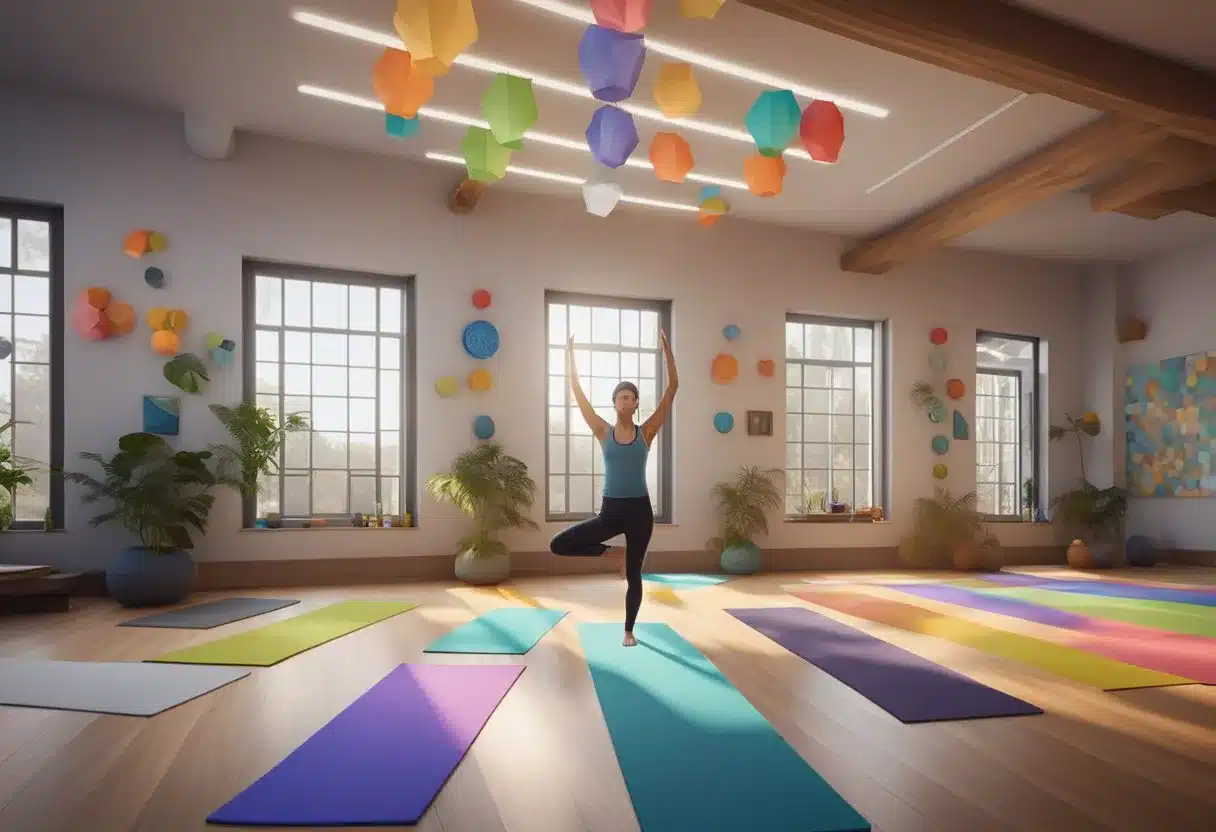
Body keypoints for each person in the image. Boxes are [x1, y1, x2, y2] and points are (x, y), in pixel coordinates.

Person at [550, 329, 678, 646]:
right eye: (621, 395)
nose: (626, 399)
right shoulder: (602, 430)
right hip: (611, 511)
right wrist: (570, 355)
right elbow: (576, 389)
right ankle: (614, 553)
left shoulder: (646, 432)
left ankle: (628, 631)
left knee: (634, 576)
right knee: (559, 545)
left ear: (635, 404)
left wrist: (667, 352)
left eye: (631, 396)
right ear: (614, 402)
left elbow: (673, 388)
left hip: (639, 512)